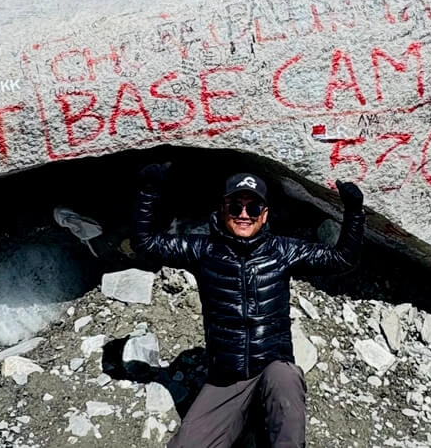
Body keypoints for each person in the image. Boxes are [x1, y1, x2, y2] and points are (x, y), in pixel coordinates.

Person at [134, 165, 364, 448]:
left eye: (253, 208)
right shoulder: (204, 250)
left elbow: (342, 258)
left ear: (264, 215)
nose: (244, 215)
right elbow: (146, 244)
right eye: (236, 206)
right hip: (226, 381)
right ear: (223, 209)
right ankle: (247, 427)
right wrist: (148, 192)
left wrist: (354, 212)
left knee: (285, 376)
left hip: (272, 375)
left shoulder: (282, 251)